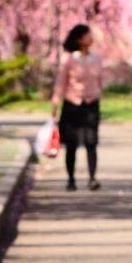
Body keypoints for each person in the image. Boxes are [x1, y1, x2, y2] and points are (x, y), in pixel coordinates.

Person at [50, 23, 103, 191]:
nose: (91, 38)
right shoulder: (69, 59)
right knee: (71, 143)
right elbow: (61, 82)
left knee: (91, 141)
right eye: (88, 35)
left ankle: (92, 178)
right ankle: (71, 179)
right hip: (72, 104)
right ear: (80, 39)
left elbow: (100, 79)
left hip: (91, 103)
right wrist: (56, 102)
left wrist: (99, 94)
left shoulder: (97, 58)